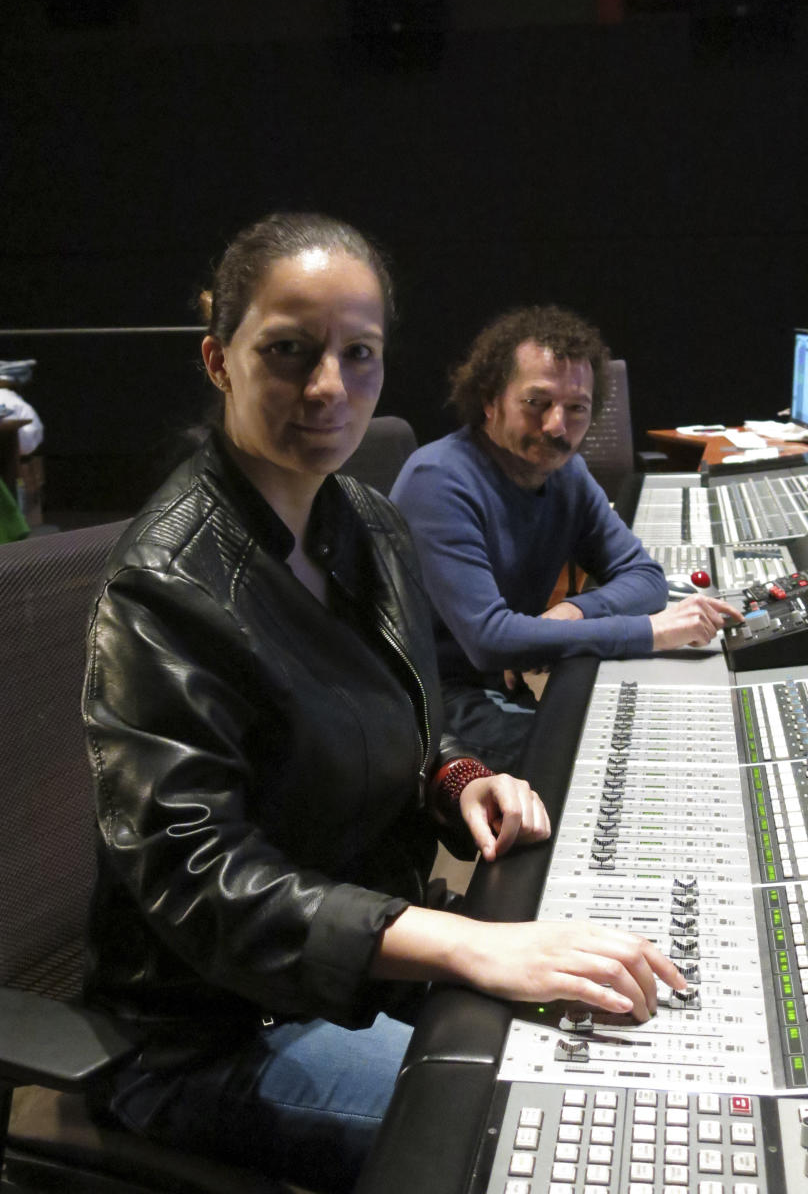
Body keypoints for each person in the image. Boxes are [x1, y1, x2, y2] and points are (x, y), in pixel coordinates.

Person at [82, 215, 686, 1193]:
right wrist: (471, 942)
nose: (330, 385)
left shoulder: (364, 520)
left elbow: (391, 708)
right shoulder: (165, 583)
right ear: (218, 358)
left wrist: (457, 774)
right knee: (562, 1148)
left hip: (370, 966)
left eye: (358, 354)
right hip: (212, 1033)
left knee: (639, 1073)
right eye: (288, 350)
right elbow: (202, 878)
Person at [390, 305, 743, 771]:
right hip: (430, 700)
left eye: (576, 408)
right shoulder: (437, 481)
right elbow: (491, 639)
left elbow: (645, 577)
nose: (558, 426)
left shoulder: (566, 472)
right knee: (609, 760)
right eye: (537, 403)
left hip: (494, 683)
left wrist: (570, 612)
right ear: (490, 400)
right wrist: (649, 632)